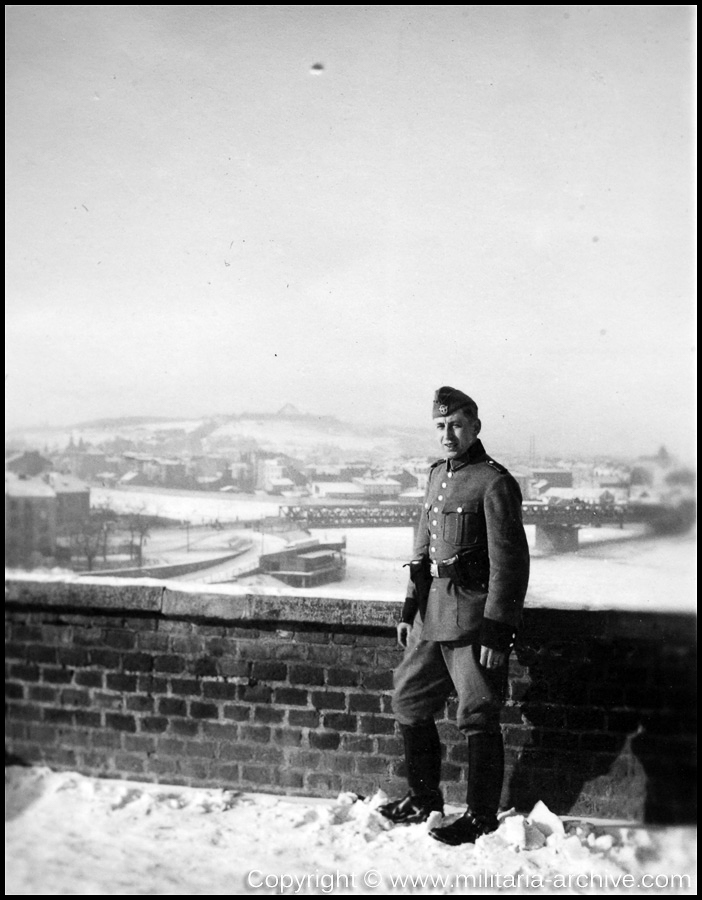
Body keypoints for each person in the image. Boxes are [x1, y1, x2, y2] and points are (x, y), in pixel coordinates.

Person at [377, 386, 530, 845]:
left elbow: (510, 563)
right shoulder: (435, 474)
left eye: (457, 425)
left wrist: (497, 630)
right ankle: (425, 799)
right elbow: (422, 552)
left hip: (471, 617)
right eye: (440, 426)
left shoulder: (494, 481)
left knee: (478, 713)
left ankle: (481, 817)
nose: (447, 434)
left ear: (475, 427)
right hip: (431, 611)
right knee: (407, 698)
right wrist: (409, 608)